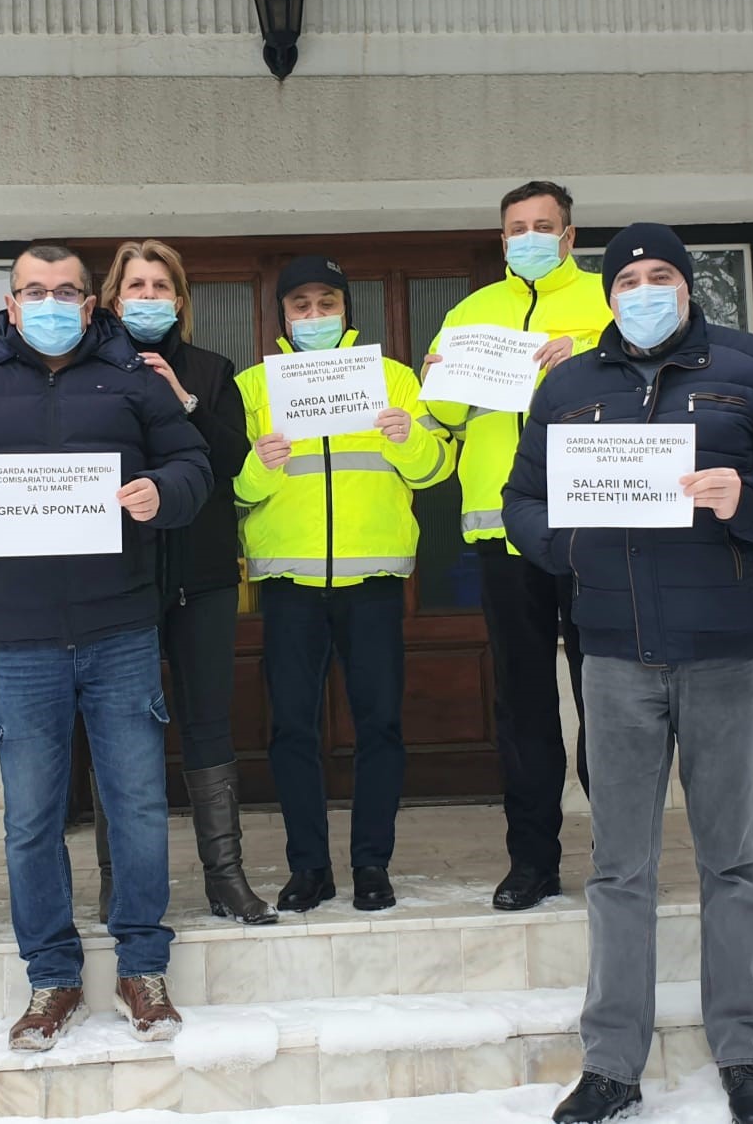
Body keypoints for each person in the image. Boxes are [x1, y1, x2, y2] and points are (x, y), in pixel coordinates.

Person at [502, 223, 753, 1124]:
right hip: (613, 649)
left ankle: (742, 1051)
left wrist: (749, 498)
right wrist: (566, 542)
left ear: (688, 287)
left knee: (730, 859)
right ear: (608, 292)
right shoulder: (569, 384)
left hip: (725, 648)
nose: (645, 290)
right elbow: (521, 502)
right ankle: (612, 1062)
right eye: (629, 279)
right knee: (619, 864)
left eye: (662, 276)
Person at [0, 244, 211, 1052]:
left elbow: (192, 463)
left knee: (137, 807)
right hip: (19, 634)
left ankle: (143, 966)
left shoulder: (132, 377)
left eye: (65, 290)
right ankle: (52, 976)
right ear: (10, 297)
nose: (49, 301)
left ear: (87, 300)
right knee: (31, 818)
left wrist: (162, 492)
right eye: (34, 290)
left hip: (120, 629)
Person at [235, 255, 454, 915]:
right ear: (281, 315)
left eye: (325, 302)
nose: (313, 316)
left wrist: (407, 438)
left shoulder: (391, 379)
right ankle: (309, 867)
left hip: (373, 579)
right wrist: (260, 465)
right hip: (289, 581)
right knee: (292, 730)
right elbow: (235, 492)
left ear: (346, 309)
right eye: (299, 304)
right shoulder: (254, 386)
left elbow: (433, 472)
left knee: (380, 725)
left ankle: (370, 864)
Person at [423, 180, 613, 913]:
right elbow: (438, 416)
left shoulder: (606, 300)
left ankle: (618, 854)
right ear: (501, 239)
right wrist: (438, 383)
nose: (528, 237)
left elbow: (655, 367)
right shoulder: (471, 312)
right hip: (501, 533)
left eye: (543, 225)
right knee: (522, 702)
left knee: (606, 696)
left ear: (568, 236)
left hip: (596, 525)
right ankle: (531, 860)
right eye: (515, 228)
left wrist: (590, 349)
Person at [94, 239, 276, 926]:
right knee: (120, 733)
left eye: (159, 286)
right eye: (134, 286)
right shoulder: (90, 368)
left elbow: (233, 462)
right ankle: (121, 882)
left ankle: (225, 878)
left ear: (179, 299)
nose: (147, 297)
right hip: (119, 578)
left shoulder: (210, 369)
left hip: (200, 575)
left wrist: (184, 398)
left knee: (207, 722)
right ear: (112, 300)